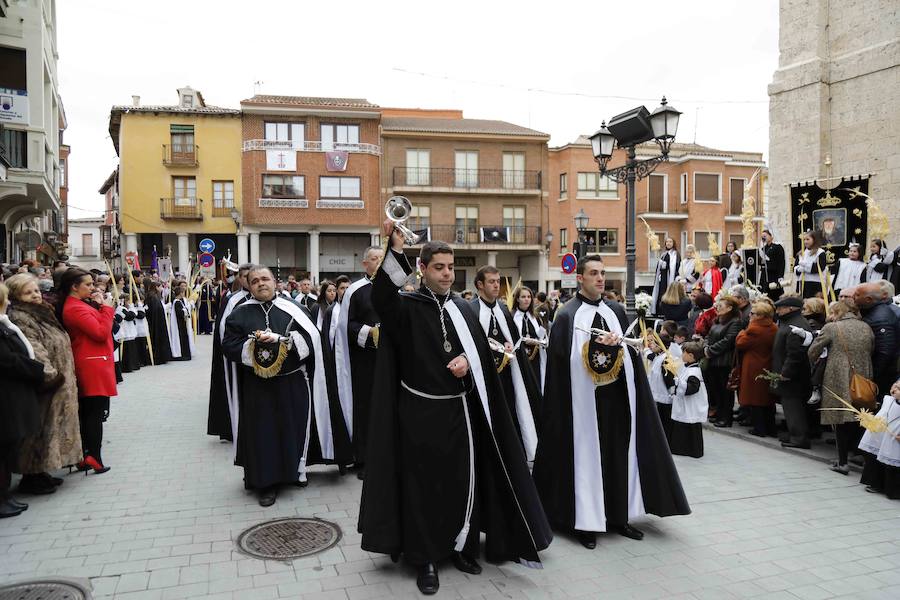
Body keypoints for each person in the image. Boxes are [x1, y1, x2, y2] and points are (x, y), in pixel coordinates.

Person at [359, 226, 552, 595]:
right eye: (439, 267)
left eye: (450, 267)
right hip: (417, 412)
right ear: (423, 268)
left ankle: (462, 547)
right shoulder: (406, 306)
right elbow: (382, 298)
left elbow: (483, 352)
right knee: (422, 486)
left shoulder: (464, 308)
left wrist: (469, 359)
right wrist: (394, 248)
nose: (447, 273)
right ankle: (426, 557)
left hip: (461, 413)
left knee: (465, 481)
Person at [533, 254, 689, 551]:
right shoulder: (566, 315)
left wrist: (620, 347)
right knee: (585, 459)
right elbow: (560, 364)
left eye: (603, 273)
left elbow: (631, 352)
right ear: (580, 278)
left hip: (616, 401)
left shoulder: (617, 309)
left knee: (619, 457)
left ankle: (619, 516)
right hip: (582, 405)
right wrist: (592, 348)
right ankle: (584, 522)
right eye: (594, 273)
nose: (600, 278)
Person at [221, 266, 336, 506]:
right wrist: (254, 346)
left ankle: (294, 472)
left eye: (265, 279)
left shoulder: (297, 309)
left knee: (292, 428)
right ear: (249, 286)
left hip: (293, 381)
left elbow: (313, 340)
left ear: (275, 281)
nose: (261, 283)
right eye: (255, 281)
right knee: (263, 434)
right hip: (258, 386)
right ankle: (266, 483)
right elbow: (229, 345)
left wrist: (285, 342)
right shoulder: (239, 315)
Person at [5, 274, 82, 494]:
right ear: (15, 296)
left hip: (60, 380)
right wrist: (50, 376)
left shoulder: (42, 312)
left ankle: (42, 471)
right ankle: (32, 474)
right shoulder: (22, 317)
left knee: (51, 429)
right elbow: (34, 349)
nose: (36, 296)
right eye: (28, 293)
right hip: (46, 383)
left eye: (36, 291)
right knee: (39, 431)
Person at [472, 266, 541, 466]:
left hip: (508, 376)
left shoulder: (503, 309)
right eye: (491, 281)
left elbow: (514, 340)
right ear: (480, 285)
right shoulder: (472, 309)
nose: (496, 285)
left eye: (498, 281)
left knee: (511, 414)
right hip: (485, 378)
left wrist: (512, 347)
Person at [805, 301, 874, 474]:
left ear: (837, 312)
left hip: (838, 376)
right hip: (863, 376)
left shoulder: (832, 328)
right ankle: (859, 455)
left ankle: (842, 462)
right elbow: (872, 348)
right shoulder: (866, 327)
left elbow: (813, 351)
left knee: (839, 415)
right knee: (860, 415)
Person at [57, 268, 116, 474]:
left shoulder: (79, 305)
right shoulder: (74, 308)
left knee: (91, 411)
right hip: (92, 363)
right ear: (74, 287)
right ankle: (94, 456)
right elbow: (100, 332)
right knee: (94, 413)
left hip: (94, 361)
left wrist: (100, 308)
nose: (93, 288)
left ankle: (86, 454)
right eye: (88, 285)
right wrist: (107, 309)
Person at [334, 247, 384, 479]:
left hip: (391, 361)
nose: (379, 262)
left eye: (383, 258)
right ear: (365, 264)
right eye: (375, 259)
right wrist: (370, 333)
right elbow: (347, 325)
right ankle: (363, 459)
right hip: (365, 362)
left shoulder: (395, 288)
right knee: (366, 409)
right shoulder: (355, 291)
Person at [0, 282, 45, 517]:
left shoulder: (5, 324)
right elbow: (7, 359)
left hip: (16, 389)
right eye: (4, 299)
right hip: (7, 392)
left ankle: (5, 495)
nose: (8, 303)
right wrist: (36, 368)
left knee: (8, 446)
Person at [207, 264, 251, 443]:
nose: (249, 280)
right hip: (238, 357)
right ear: (239, 279)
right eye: (245, 276)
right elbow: (223, 330)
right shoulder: (233, 300)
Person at [771, 296, 813, 449]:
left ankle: (799, 438)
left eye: (781, 308)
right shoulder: (789, 322)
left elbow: (795, 354)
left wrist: (786, 373)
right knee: (791, 406)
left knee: (792, 406)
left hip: (793, 376)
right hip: (791, 373)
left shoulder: (796, 326)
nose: (778, 311)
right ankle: (796, 435)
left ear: (791, 308)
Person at [735, 300, 778, 437]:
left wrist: (742, 332)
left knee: (755, 400)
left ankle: (759, 429)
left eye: (753, 313)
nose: (750, 316)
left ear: (760, 315)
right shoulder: (773, 327)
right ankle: (771, 428)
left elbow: (740, 343)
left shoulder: (754, 329)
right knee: (767, 400)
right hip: (767, 364)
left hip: (753, 366)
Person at [704, 296, 743, 428]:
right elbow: (708, 336)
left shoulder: (735, 322)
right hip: (713, 361)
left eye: (720, 306)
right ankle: (719, 414)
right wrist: (705, 347)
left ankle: (726, 418)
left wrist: (710, 351)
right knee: (716, 390)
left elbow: (728, 341)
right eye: (717, 306)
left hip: (724, 361)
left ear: (730, 308)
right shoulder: (718, 320)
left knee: (725, 392)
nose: (717, 308)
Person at [854, 282, 899, 397]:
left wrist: (872, 376)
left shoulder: (880, 319)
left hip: (884, 377)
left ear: (868, 299)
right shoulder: (874, 313)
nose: (853, 297)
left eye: (857, 295)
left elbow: (885, 352)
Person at [858, 377, 900, 498]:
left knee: (891, 462)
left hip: (894, 435)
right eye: (895, 385)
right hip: (880, 432)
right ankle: (874, 483)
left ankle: (891, 489)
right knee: (873, 457)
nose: (895, 389)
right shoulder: (887, 400)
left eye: (899, 388)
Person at [669, 342, 708, 458]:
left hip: (691, 405)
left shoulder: (694, 372)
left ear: (691, 356)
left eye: (684, 352)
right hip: (685, 405)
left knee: (690, 424)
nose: (682, 355)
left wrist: (679, 382)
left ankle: (690, 450)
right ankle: (681, 448)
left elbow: (692, 389)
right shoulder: (688, 368)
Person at [512, 285, 547, 391]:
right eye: (523, 297)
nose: (526, 299)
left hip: (535, 356)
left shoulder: (536, 317)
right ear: (517, 299)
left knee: (536, 384)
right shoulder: (511, 316)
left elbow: (543, 336)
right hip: (520, 357)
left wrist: (541, 340)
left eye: (529, 297)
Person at [142, 280, 171, 365]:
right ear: (156, 287)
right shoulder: (152, 297)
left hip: (158, 321)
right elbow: (155, 310)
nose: (162, 289)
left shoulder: (155, 296)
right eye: (160, 287)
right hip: (156, 322)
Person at [794, 230, 830, 299]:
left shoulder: (820, 252)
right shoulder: (801, 253)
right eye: (804, 240)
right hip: (803, 283)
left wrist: (804, 267)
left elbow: (819, 268)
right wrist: (799, 269)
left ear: (814, 239)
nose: (805, 242)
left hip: (815, 283)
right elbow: (796, 268)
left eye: (808, 239)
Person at [651, 238, 680, 314]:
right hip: (662, 278)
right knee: (661, 294)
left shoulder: (676, 254)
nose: (668, 243)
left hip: (670, 278)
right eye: (667, 242)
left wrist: (667, 266)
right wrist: (661, 265)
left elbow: (677, 266)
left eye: (670, 242)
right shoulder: (663, 254)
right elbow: (659, 268)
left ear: (673, 243)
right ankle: (659, 311)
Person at [169, 282, 195, 361]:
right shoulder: (177, 302)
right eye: (183, 293)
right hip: (179, 325)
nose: (183, 294)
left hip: (182, 324)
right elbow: (180, 312)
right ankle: (182, 354)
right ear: (180, 293)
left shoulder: (179, 301)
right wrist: (186, 309)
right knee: (181, 339)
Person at [758, 229, 786, 301]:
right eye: (762, 237)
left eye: (765, 236)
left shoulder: (777, 247)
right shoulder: (763, 248)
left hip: (774, 274)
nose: (763, 238)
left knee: (775, 294)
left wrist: (780, 275)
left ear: (771, 236)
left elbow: (781, 262)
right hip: (765, 274)